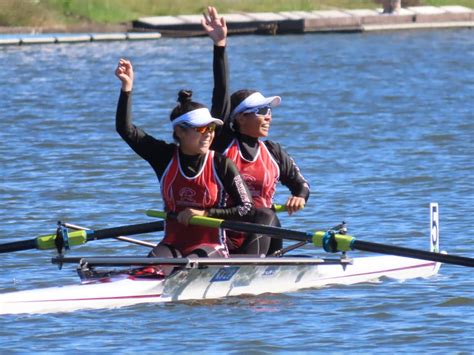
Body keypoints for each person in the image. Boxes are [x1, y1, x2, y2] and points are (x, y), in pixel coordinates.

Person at [115, 58, 254, 268]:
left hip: (211, 245)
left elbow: (246, 207)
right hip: (172, 243)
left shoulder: (221, 163)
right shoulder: (163, 157)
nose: (208, 135)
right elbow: (125, 130)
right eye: (201, 129)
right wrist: (127, 89)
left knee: (192, 265)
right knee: (150, 266)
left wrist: (206, 214)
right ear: (180, 131)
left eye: (211, 129)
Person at [202, 7, 310, 256]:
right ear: (239, 117)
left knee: (267, 215)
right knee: (265, 213)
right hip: (223, 230)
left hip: (263, 231)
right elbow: (220, 95)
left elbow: (301, 185)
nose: (268, 116)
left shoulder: (273, 152)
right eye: (261, 110)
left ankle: (256, 275)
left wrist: (299, 197)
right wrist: (220, 46)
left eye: (269, 110)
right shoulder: (222, 143)